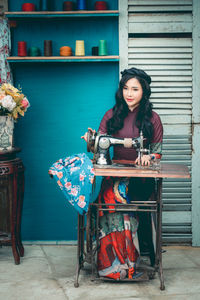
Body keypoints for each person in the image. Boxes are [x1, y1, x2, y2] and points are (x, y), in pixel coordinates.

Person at [81, 67, 163, 280]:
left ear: (144, 92)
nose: (129, 93)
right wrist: (91, 140)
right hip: (115, 175)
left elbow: (157, 154)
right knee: (109, 198)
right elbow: (99, 142)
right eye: (126, 88)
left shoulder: (153, 119)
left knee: (124, 197)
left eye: (135, 89)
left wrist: (148, 158)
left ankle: (131, 257)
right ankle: (111, 261)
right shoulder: (111, 115)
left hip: (141, 178)